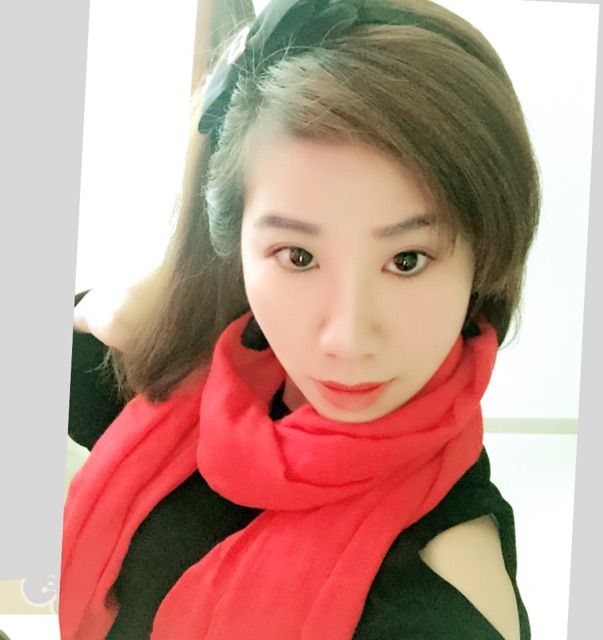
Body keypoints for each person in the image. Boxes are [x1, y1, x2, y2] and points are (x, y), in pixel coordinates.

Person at [61, 0, 539, 638]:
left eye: (406, 260)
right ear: (234, 244)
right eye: (298, 256)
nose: (346, 339)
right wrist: (149, 290)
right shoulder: (173, 377)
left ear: (484, 259)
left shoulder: (441, 594)